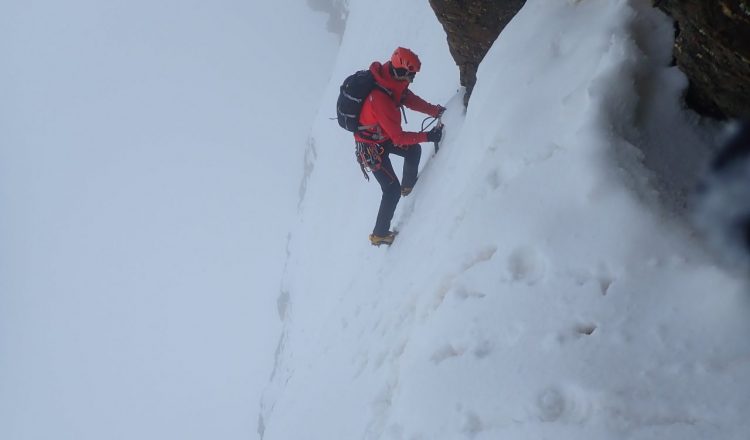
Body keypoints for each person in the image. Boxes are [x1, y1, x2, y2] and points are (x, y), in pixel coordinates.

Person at [355, 47, 445, 246]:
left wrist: (435, 111)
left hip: (381, 137)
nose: (411, 80)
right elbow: (398, 138)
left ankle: (408, 188)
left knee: (413, 151)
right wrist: (428, 136)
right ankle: (379, 234)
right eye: (411, 75)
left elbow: (409, 99)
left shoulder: (392, 83)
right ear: (401, 72)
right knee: (390, 189)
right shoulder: (381, 99)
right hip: (371, 148)